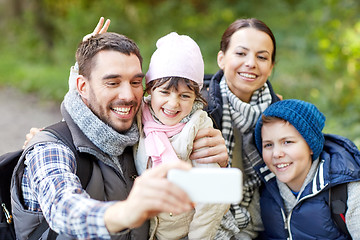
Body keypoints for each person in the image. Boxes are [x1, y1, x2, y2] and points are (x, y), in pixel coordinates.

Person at [12, 29, 228, 239]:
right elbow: (63, 207)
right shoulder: (50, 149)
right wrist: (125, 213)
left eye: (135, 82)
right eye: (112, 82)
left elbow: (211, 197)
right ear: (82, 86)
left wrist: (219, 164)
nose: (128, 95)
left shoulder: (137, 133)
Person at [134, 32, 229, 240]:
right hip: (147, 230)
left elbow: (212, 199)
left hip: (184, 233)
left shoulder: (197, 128)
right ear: (149, 89)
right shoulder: (141, 115)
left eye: (184, 96)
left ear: (196, 96)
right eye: (165, 92)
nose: (173, 104)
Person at [202, 18, 281, 239]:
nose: (251, 63)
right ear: (221, 58)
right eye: (240, 53)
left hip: (264, 223)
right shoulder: (198, 107)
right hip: (208, 224)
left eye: (262, 57)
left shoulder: (280, 115)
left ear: (271, 66)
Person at [253, 99, 360, 239]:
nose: (276, 153)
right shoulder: (263, 185)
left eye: (287, 142)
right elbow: (247, 232)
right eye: (268, 145)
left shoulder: (347, 189)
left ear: (310, 146)